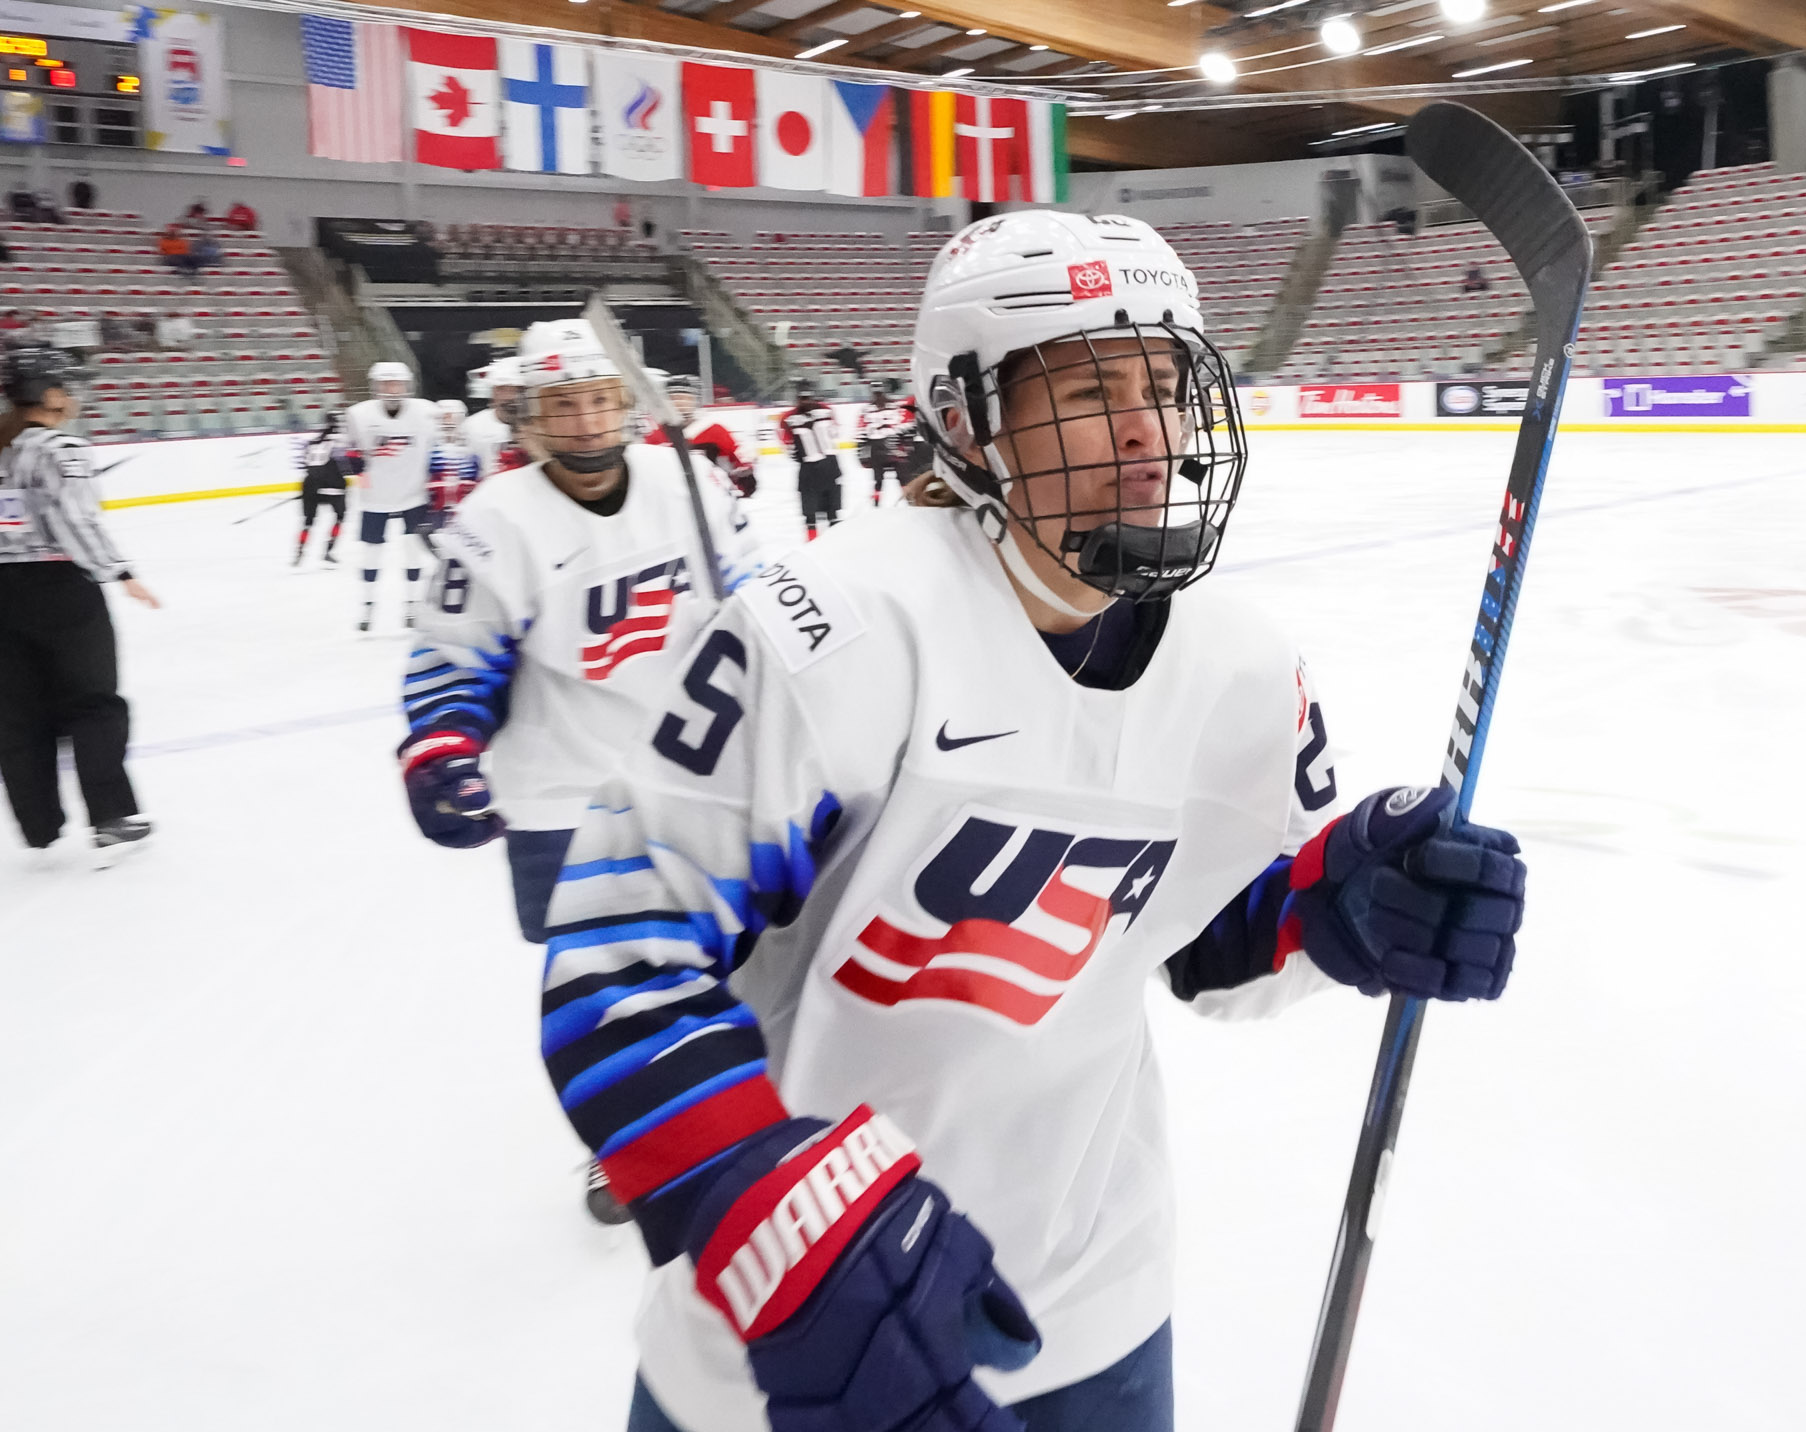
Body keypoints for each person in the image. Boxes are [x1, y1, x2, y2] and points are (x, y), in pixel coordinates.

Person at [540, 211, 1529, 1432]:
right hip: (790, 1331)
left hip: (1094, 1308)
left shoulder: (1239, 666)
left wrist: (1335, 908)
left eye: (1163, 381)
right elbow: (616, 966)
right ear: (964, 420)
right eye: (1088, 384)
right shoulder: (833, 633)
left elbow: (1202, 942)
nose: (1144, 426)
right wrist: (772, 1220)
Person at [396, 319, 762, 1223]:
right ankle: (627, 1142)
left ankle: (741, 1109)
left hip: (697, 766)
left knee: (741, 950)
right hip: (560, 793)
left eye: (601, 400)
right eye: (564, 405)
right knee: (605, 987)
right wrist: (442, 745)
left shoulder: (693, 485)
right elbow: (452, 650)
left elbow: (756, 606)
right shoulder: (492, 520)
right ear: (528, 417)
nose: (588, 422)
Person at [0, 358, 159, 862]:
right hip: (59, 589)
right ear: (49, 396)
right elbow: (74, 520)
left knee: (17, 712)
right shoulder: (61, 448)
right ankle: (110, 815)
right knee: (93, 699)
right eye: (68, 388)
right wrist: (120, 571)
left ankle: (39, 826)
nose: (75, 396)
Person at [340, 360, 439, 632]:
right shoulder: (358, 414)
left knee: (412, 552)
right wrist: (350, 461)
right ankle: (368, 605)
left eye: (396, 384)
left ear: (407, 386)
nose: (392, 390)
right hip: (375, 497)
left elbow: (441, 448)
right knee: (371, 553)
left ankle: (411, 604)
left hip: (414, 495)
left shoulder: (428, 412)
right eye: (386, 384)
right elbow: (346, 449)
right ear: (375, 387)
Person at [652, 372, 755, 496]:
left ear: (696, 401)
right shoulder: (655, 435)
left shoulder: (713, 430)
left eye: (686, 398)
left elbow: (738, 458)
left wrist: (744, 476)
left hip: (712, 497)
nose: (679, 403)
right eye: (674, 398)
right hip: (672, 498)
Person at [780, 377, 842, 539]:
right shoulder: (827, 410)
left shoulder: (787, 418)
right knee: (833, 512)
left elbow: (789, 447)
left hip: (809, 469)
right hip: (830, 465)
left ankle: (812, 541)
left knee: (810, 515)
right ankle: (837, 540)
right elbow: (835, 433)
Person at [293, 416, 351, 568]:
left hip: (310, 486)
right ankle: (328, 550)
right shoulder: (338, 442)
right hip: (333, 487)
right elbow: (345, 467)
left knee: (308, 522)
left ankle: (300, 551)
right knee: (340, 517)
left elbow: (306, 466)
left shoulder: (312, 442)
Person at [462, 357, 529, 478]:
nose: (512, 397)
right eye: (503, 389)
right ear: (494, 392)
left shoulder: (539, 427)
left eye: (519, 390)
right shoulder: (472, 427)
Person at [425, 398, 480, 521]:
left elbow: (476, 477)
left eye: (453, 417)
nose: (449, 422)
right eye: (445, 417)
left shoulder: (471, 450)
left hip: (466, 509)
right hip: (435, 510)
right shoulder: (428, 449)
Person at [855, 383, 902, 506]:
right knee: (899, 476)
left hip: (880, 446)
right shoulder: (894, 406)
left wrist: (860, 454)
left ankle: (877, 503)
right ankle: (909, 499)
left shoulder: (867, 410)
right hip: (890, 445)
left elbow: (860, 433)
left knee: (880, 478)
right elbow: (902, 426)